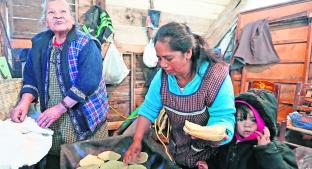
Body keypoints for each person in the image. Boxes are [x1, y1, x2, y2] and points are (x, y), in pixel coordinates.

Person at [10, 0, 109, 168]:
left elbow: (88, 81)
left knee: (84, 161)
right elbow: (31, 75)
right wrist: (24, 101)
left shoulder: (86, 44)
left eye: (63, 11)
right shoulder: (41, 44)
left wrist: (59, 108)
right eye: (51, 12)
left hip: (83, 116)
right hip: (53, 117)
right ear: (44, 20)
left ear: (72, 17)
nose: (57, 16)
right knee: (56, 159)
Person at [123, 22, 236, 169]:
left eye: (168, 58)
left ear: (188, 53)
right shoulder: (162, 78)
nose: (162, 64)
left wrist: (214, 136)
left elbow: (224, 118)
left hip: (211, 160)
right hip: (178, 152)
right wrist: (137, 140)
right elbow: (148, 109)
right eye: (159, 58)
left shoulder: (215, 77)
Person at [207, 88, 298, 169]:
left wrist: (265, 150)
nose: (247, 125)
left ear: (265, 121)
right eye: (240, 119)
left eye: (254, 120)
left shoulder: (276, 148)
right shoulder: (229, 142)